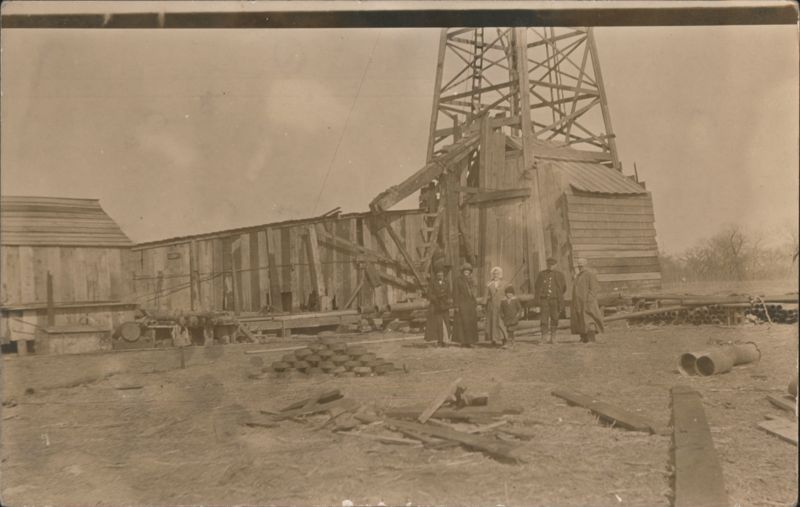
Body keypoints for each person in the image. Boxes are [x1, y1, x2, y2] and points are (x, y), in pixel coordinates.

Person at [570, 257, 604, 343]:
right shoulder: (578, 276)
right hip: (578, 302)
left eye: (582, 265)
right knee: (580, 319)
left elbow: (594, 289)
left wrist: (589, 300)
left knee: (589, 319)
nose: (580, 267)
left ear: (586, 265)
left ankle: (591, 339)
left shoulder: (590, 274)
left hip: (588, 303)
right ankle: (583, 338)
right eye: (579, 266)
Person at [534, 257, 567, 344]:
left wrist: (557, 295)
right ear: (547, 264)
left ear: (555, 265)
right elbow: (537, 286)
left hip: (555, 300)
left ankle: (553, 337)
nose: (550, 266)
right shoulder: (541, 274)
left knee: (555, 318)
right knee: (544, 319)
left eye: (552, 265)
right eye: (549, 264)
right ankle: (544, 337)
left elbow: (563, 287)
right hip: (544, 300)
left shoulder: (560, 275)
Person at [452, 262, 479, 347]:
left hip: (471, 304)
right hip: (462, 303)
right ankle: (463, 341)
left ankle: (471, 341)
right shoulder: (458, 280)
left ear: (470, 272)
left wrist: (475, 303)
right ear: (462, 271)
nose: (466, 272)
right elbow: (455, 293)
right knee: (463, 323)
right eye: (465, 270)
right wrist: (456, 305)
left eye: (468, 270)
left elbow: (474, 293)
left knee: (471, 323)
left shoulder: (472, 280)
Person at [425, 270, 451, 346]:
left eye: (441, 274)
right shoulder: (432, 283)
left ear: (443, 275)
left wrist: (447, 299)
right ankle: (438, 340)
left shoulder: (446, 283)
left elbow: (449, 293)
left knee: (446, 322)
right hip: (435, 305)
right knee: (438, 323)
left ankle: (445, 340)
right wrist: (436, 298)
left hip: (444, 305)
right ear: (436, 275)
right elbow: (429, 294)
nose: (440, 276)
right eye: (438, 275)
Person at [484, 266, 508, 346]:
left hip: (501, 306)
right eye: (494, 274)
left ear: (500, 274)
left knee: (501, 322)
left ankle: (504, 339)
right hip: (492, 306)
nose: (496, 275)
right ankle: (493, 339)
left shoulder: (505, 283)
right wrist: (484, 304)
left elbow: (508, 294)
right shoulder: (489, 284)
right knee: (492, 322)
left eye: (497, 273)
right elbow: (485, 295)